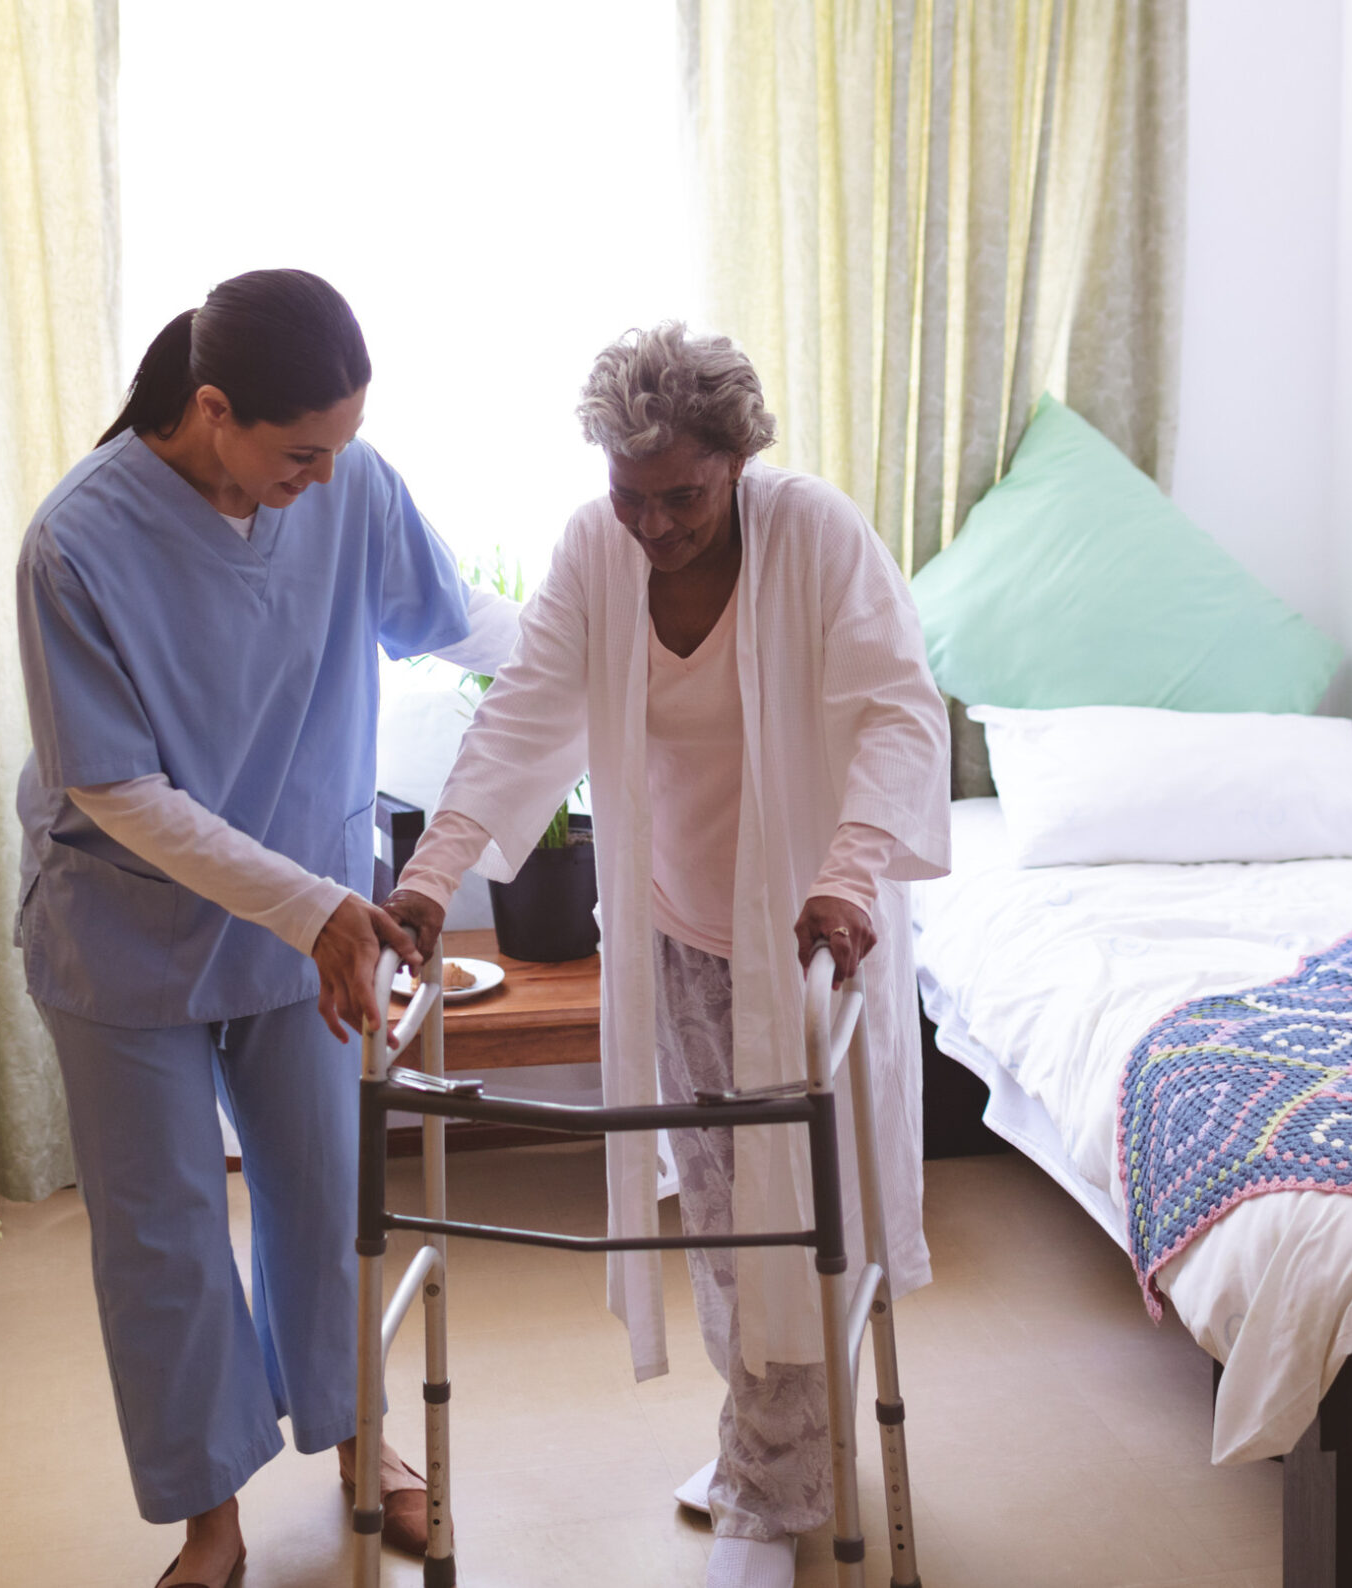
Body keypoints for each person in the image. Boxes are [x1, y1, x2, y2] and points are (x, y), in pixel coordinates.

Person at [385, 322, 950, 1588]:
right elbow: (531, 707)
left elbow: (900, 710)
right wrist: (430, 877)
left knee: (794, 1211)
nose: (652, 524)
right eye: (628, 496)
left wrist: (851, 871)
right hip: (676, 921)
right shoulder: (600, 548)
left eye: (680, 496)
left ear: (740, 462)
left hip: (811, 919)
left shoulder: (814, 532)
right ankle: (766, 1449)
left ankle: (770, 1481)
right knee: (717, 1207)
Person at [14, 269, 516, 1588]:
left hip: (315, 931)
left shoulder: (345, 483)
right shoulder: (74, 545)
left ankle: (362, 1447)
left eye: (342, 445)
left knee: (325, 1193)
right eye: (302, 451)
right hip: (131, 935)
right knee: (166, 1233)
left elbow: (469, 631)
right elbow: (115, 790)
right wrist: (312, 906)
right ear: (214, 410)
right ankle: (211, 1519)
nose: (326, 474)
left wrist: (623, 663)